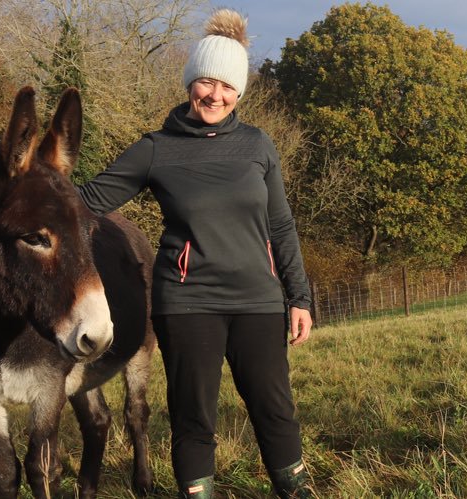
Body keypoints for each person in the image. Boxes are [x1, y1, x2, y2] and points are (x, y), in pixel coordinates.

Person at [77, 9, 314, 498]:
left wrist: (300, 297)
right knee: (193, 415)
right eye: (207, 82)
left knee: (274, 408)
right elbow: (85, 201)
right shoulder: (156, 149)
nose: (215, 95)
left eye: (228, 87)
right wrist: (28, 191)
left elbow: (281, 225)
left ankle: (294, 490)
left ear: (239, 93)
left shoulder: (257, 145)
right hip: (187, 303)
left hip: (258, 300)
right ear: (191, 83)